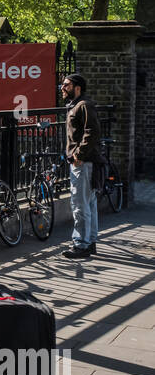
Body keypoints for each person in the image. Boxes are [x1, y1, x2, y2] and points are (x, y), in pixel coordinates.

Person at [61, 72, 104, 260]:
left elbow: (92, 132)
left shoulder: (83, 105)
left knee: (80, 204)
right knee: (89, 203)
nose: (62, 88)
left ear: (77, 87)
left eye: (66, 85)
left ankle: (81, 245)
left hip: (84, 162)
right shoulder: (76, 105)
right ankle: (90, 241)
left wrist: (78, 154)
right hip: (84, 162)